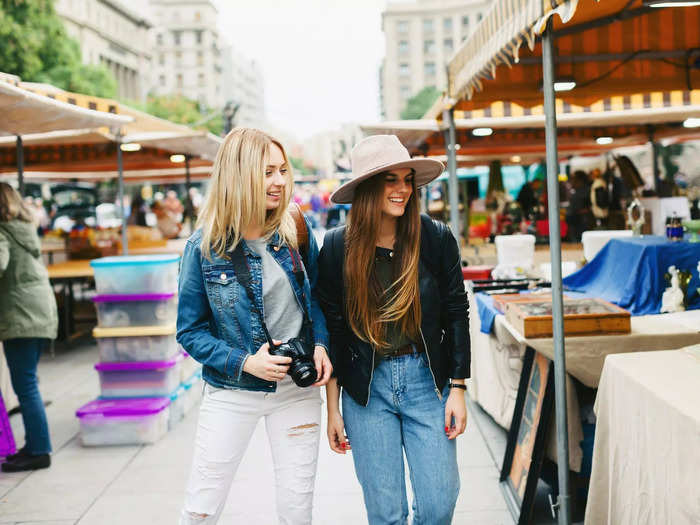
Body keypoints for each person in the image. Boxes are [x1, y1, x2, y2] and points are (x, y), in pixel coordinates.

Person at [177, 128, 332, 524]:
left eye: (282, 170)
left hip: (297, 389)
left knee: (297, 508)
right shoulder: (203, 247)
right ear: (239, 174)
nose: (279, 181)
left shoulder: (294, 229)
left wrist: (321, 346)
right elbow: (189, 331)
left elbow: (318, 299)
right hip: (233, 389)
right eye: (267, 172)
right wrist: (246, 362)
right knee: (201, 507)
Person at [317, 135, 470, 525]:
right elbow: (333, 331)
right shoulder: (336, 248)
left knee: (439, 503)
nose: (403, 189)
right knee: (386, 513)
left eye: (407, 179)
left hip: (426, 382)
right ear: (367, 188)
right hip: (366, 391)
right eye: (389, 180)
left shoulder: (435, 238)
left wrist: (458, 387)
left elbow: (456, 312)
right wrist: (332, 409)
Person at [0, 183, 57, 472]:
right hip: (40, 312)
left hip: (21, 315)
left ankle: (39, 450)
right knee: (29, 384)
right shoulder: (23, 228)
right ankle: (35, 444)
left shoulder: (1, 231)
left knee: (26, 387)